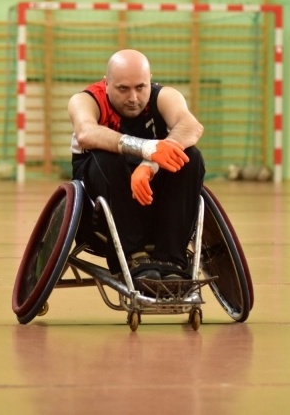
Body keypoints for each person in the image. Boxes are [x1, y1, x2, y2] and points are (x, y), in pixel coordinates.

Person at [68, 49, 205, 284]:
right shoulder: (86, 100)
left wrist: (150, 164)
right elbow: (86, 133)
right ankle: (132, 257)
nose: (133, 97)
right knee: (107, 158)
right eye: (123, 89)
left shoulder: (163, 96)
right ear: (106, 84)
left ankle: (171, 260)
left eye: (141, 87)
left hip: (152, 203)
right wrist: (147, 148)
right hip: (100, 214)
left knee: (190, 157)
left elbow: (191, 126)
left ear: (150, 81)